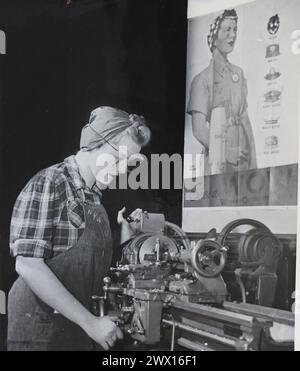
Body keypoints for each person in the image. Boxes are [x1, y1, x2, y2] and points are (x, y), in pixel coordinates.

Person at [7, 106, 151, 351]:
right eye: (118, 158)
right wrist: (91, 323)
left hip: (75, 331)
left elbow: (84, 270)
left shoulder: (93, 197)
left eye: (128, 163)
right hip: (40, 331)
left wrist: (126, 239)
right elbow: (28, 264)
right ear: (95, 142)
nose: (121, 169)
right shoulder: (50, 182)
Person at [187, 9, 257, 176]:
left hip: (243, 154)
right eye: (227, 30)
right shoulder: (201, 80)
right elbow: (198, 129)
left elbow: (246, 121)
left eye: (235, 30)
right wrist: (226, 153)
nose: (233, 35)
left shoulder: (238, 74)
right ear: (214, 34)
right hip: (218, 156)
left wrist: (254, 163)